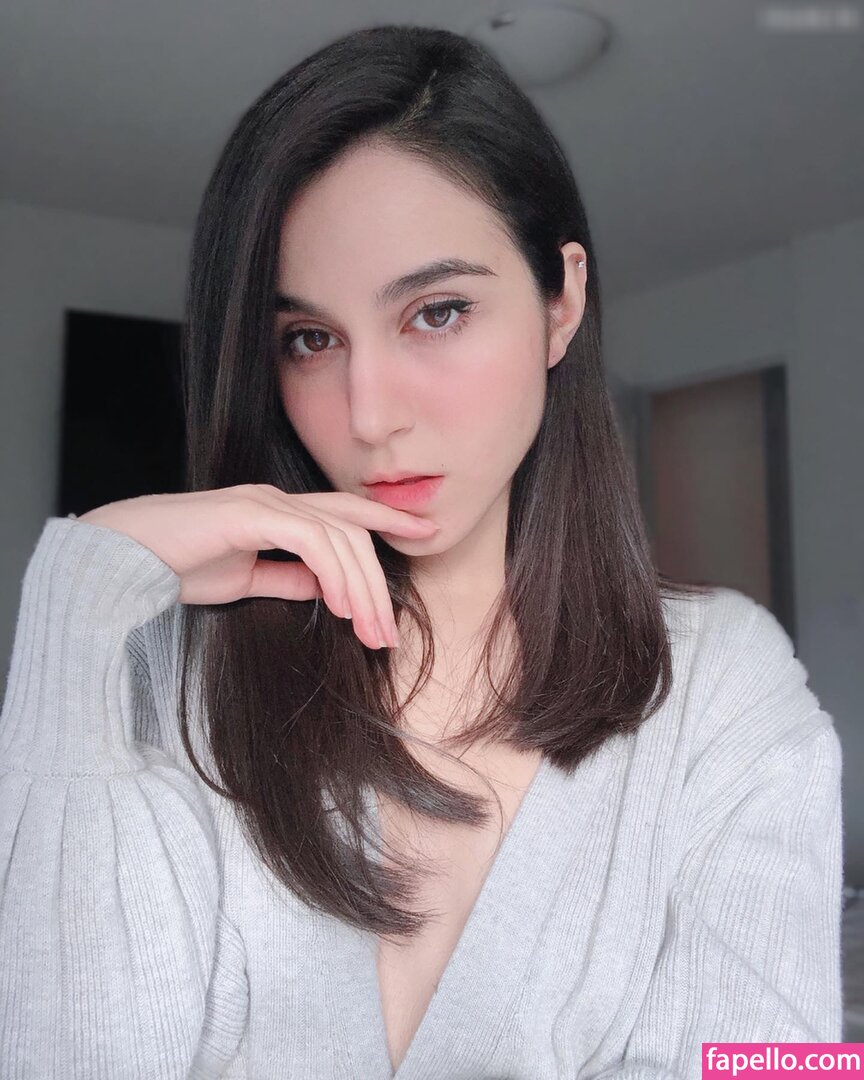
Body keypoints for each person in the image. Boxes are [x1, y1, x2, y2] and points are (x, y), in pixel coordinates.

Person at [0, 23, 843, 1080]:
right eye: (310, 339)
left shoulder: (719, 687)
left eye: (437, 312)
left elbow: (772, 1064)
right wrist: (79, 585)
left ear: (561, 301)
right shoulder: (161, 680)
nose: (370, 415)